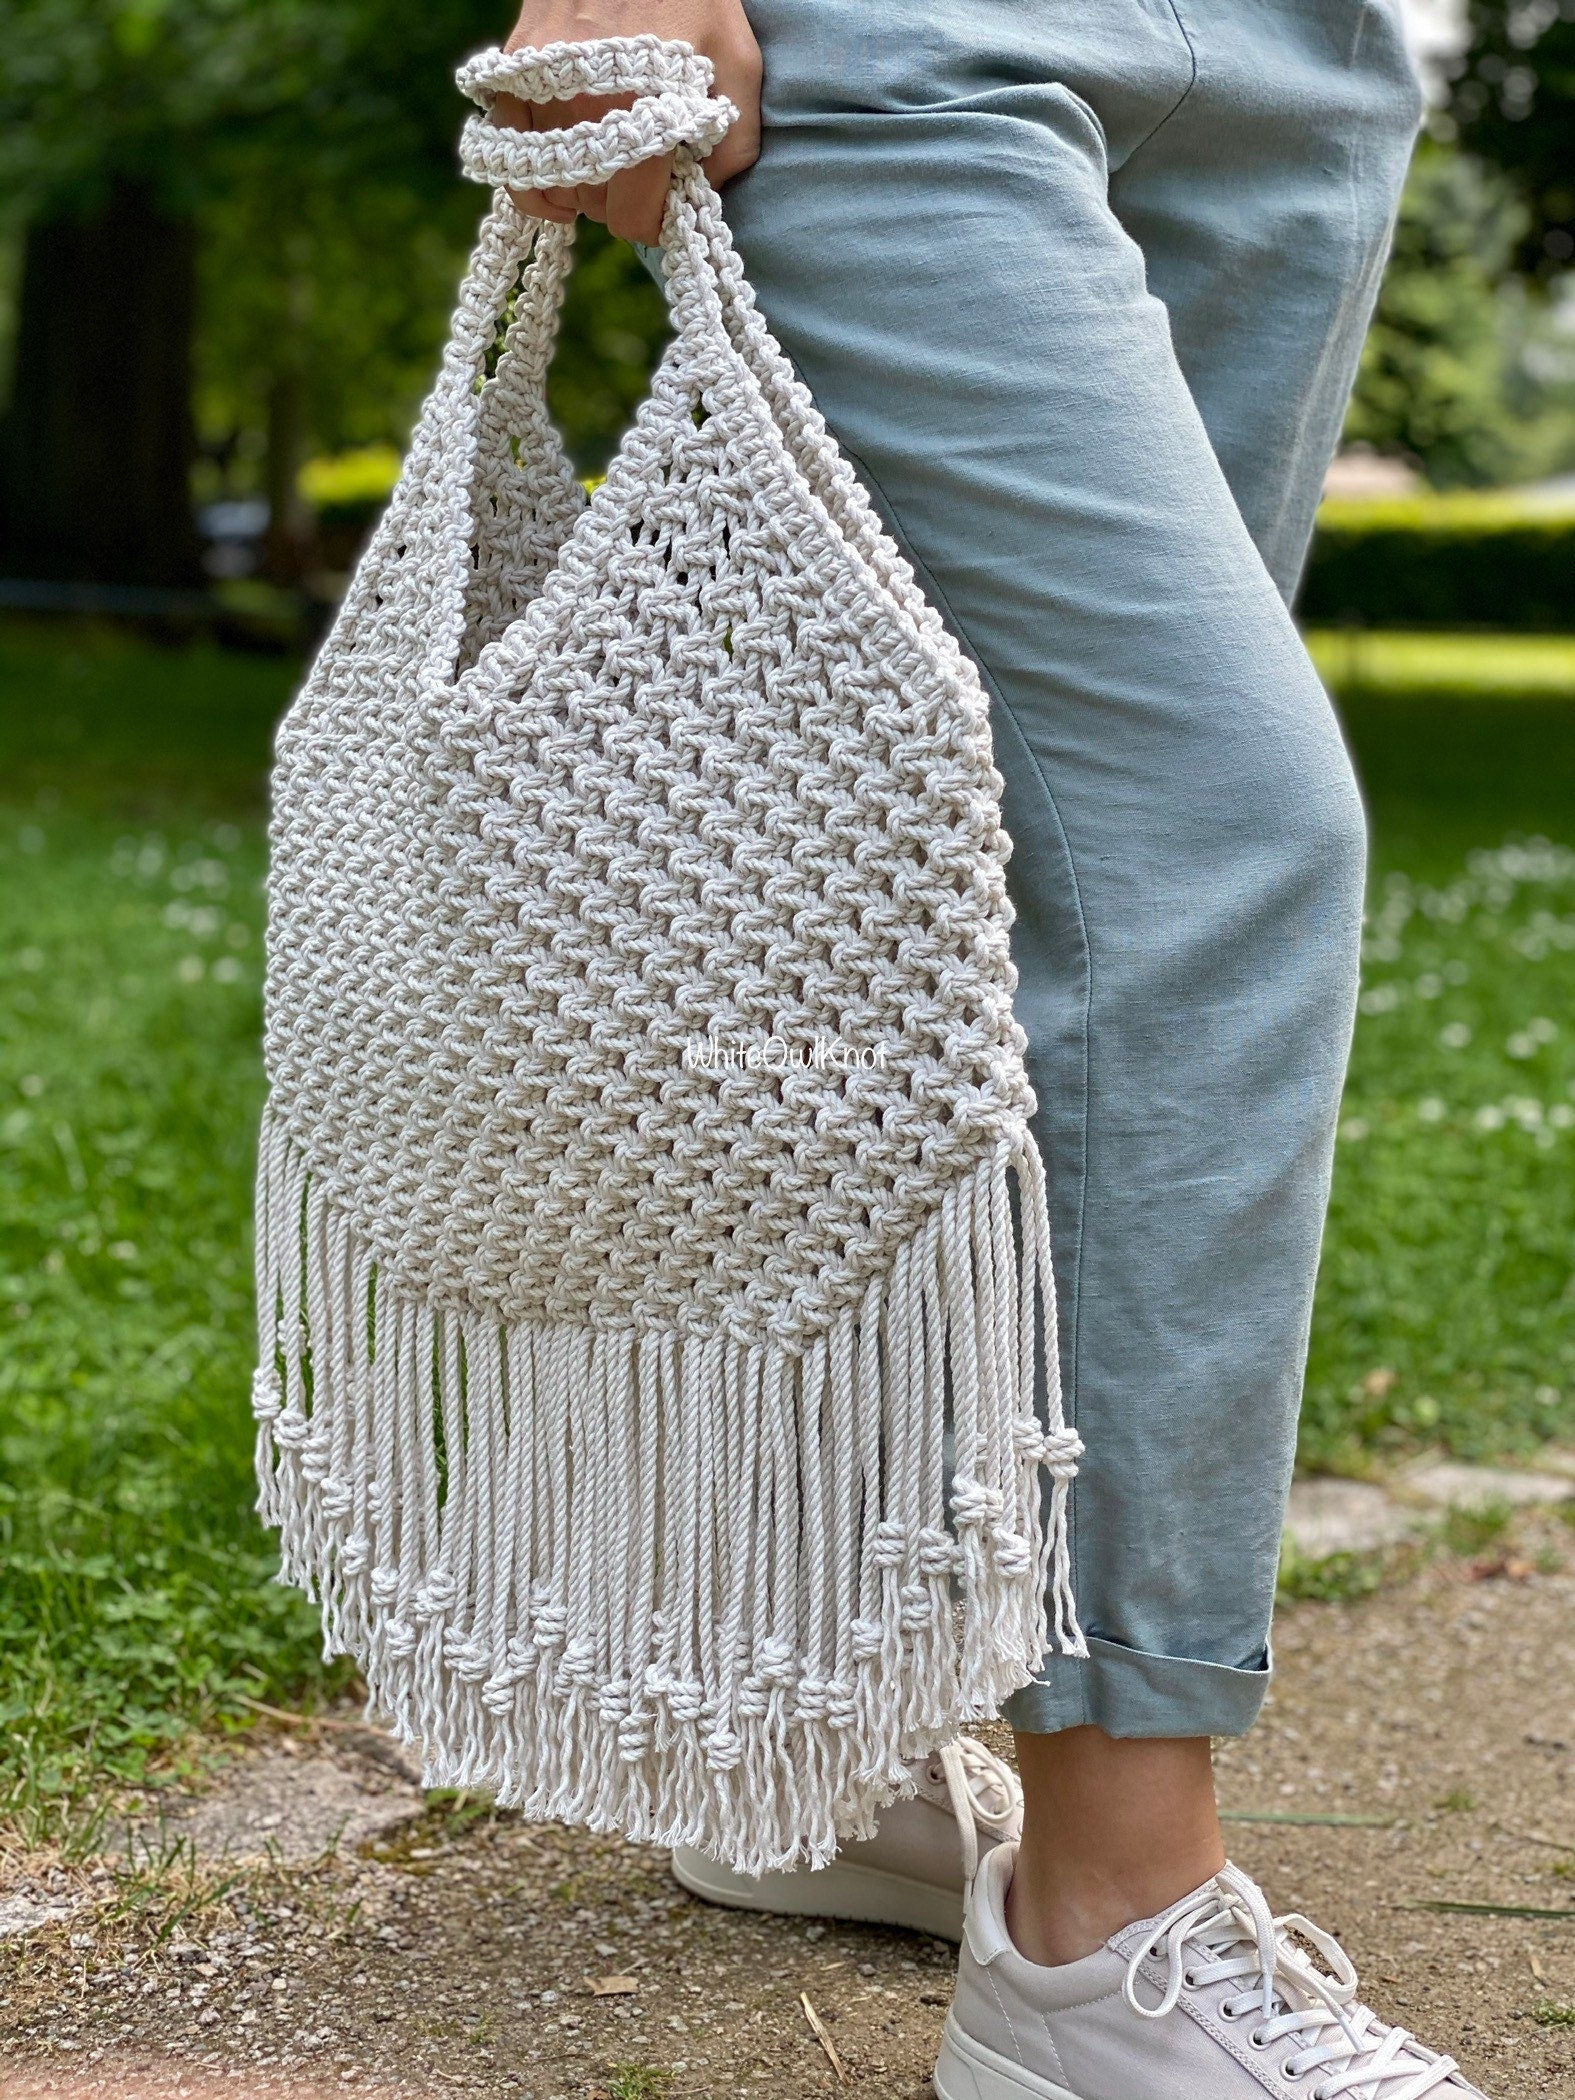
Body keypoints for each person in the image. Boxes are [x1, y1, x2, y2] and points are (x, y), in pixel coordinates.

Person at [498, 3, 1485, 2094]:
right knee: (1201, 840)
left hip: (1303, 59)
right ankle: (1099, 1936)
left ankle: (829, 1712)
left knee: (968, 872)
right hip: (905, 39)